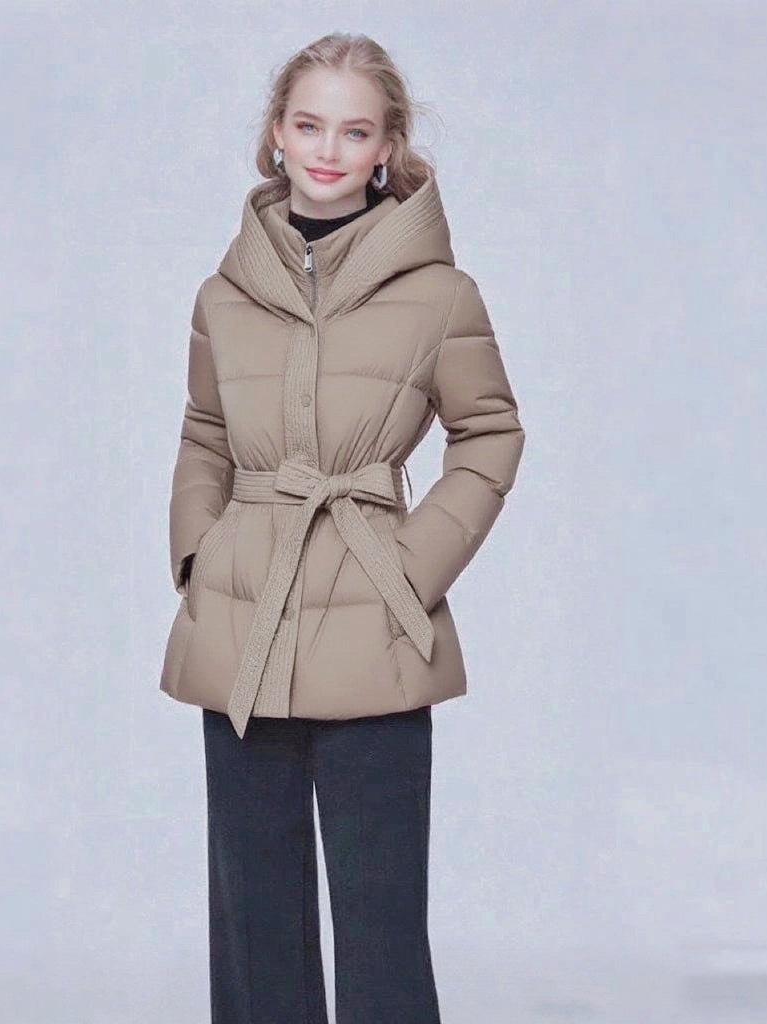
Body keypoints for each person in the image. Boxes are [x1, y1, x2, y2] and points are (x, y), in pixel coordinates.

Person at [160, 32, 525, 1024]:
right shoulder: (223, 295)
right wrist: (199, 554)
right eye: (309, 124)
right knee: (255, 921)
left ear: (386, 146)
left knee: (379, 922)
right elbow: (204, 433)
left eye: (354, 131)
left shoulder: (440, 294)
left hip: (375, 622)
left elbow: (490, 432)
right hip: (243, 621)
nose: (328, 149)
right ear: (276, 135)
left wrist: (413, 568)